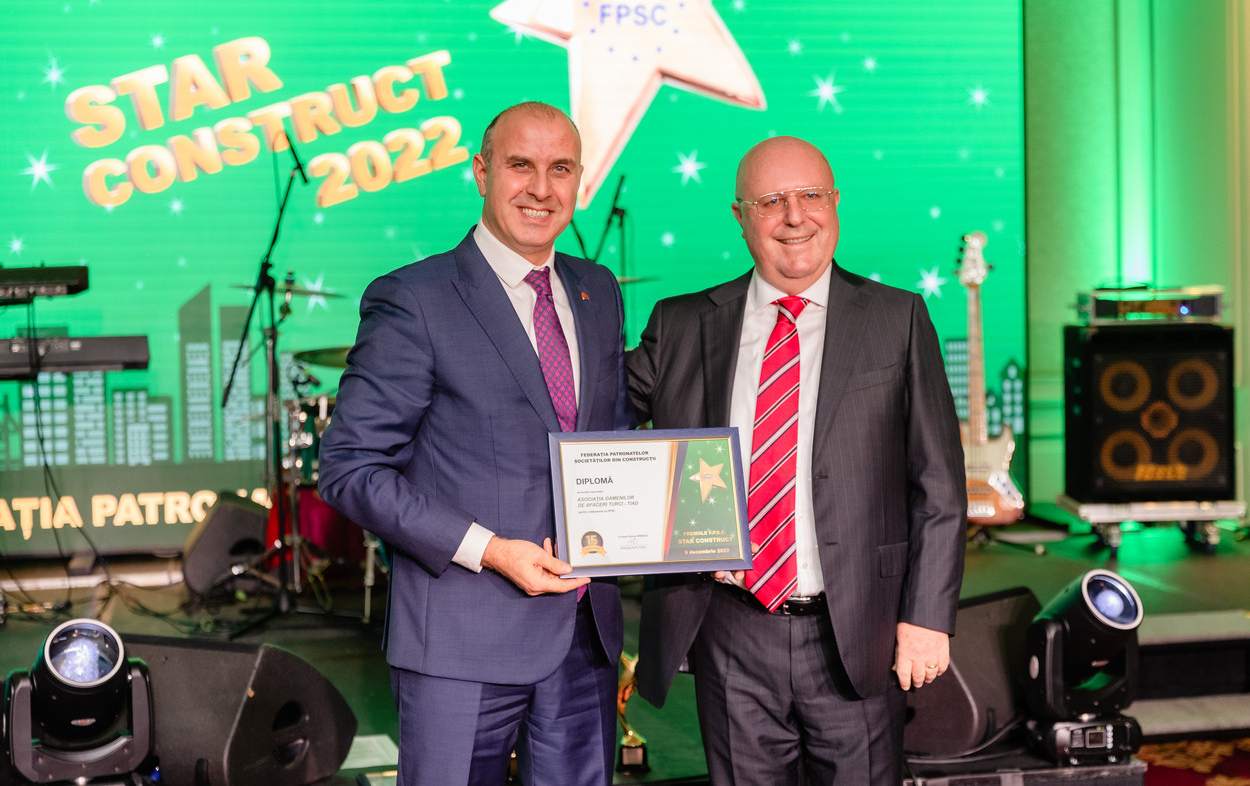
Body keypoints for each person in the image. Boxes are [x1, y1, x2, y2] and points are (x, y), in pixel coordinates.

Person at [627, 135, 967, 785]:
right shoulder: (681, 324)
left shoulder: (897, 317)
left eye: (811, 195)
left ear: (834, 202)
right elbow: (592, 418)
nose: (794, 216)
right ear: (740, 216)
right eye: (771, 201)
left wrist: (926, 616)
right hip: (730, 628)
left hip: (857, 631)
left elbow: (940, 486)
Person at [318, 102, 632, 786]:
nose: (541, 188)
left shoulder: (598, 291)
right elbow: (349, 468)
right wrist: (490, 549)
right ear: (481, 172)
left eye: (561, 169)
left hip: (583, 641)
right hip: (460, 644)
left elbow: (611, 440)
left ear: (580, 180)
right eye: (521, 165)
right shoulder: (416, 298)